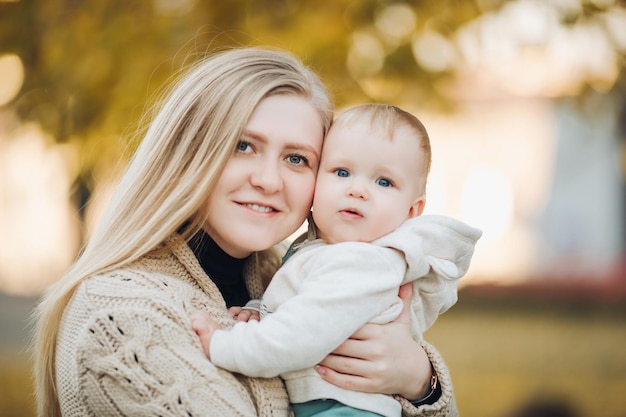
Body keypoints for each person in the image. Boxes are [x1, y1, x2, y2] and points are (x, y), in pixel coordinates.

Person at [33, 48, 460, 417]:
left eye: (296, 159)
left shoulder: (286, 279)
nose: (269, 181)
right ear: (188, 153)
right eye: (244, 146)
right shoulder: (125, 315)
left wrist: (421, 382)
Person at [190, 103, 482, 417]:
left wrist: (224, 345)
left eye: (383, 182)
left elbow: (296, 337)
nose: (357, 190)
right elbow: (309, 308)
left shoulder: (362, 264)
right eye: (342, 172)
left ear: (412, 211)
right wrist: (259, 312)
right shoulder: (322, 252)